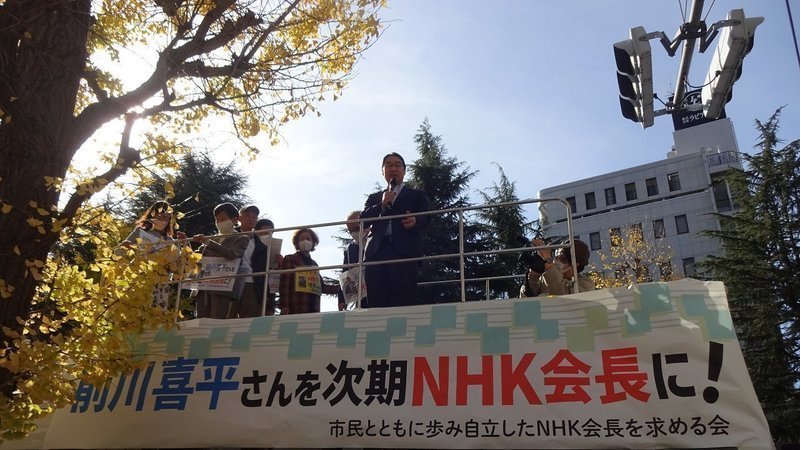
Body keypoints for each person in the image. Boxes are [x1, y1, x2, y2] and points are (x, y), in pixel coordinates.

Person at [361, 152, 430, 308]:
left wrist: (415, 220)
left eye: (397, 165)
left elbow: (426, 219)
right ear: (382, 171)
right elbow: (363, 220)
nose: (393, 169)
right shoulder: (375, 197)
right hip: (377, 253)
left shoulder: (416, 195)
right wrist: (382, 205)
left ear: (404, 171)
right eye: (389, 165)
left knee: (404, 302)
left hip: (404, 252)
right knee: (376, 302)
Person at [192, 203, 250, 319]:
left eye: (223, 219)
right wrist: (185, 244)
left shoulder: (242, 238)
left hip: (223, 287)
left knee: (218, 321)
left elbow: (232, 254)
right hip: (203, 286)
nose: (219, 223)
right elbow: (196, 256)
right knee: (201, 321)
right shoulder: (212, 238)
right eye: (217, 220)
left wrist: (208, 242)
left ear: (235, 219)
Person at [279, 228, 338, 314]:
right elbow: (285, 284)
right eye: (302, 239)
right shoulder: (290, 259)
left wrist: (340, 288)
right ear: (297, 243)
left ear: (313, 242)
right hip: (296, 307)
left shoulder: (314, 264)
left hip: (313, 308)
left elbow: (321, 287)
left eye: (308, 238)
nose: (305, 241)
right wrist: (284, 305)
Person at [520, 238, 596, 297]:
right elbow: (525, 300)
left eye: (562, 259)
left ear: (575, 264)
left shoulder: (586, 284)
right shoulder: (546, 277)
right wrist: (533, 275)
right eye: (556, 257)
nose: (556, 261)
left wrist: (548, 261)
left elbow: (562, 293)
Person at [243, 218, 283, 317]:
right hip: (253, 282)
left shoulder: (273, 244)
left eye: (271, 230)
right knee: (251, 312)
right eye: (265, 229)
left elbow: (277, 273)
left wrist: (280, 263)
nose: (268, 232)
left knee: (267, 313)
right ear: (256, 230)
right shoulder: (251, 243)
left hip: (269, 285)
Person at [338, 210, 369, 311]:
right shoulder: (350, 249)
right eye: (350, 231)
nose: (353, 233)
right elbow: (345, 273)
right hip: (361, 296)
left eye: (356, 228)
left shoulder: (377, 240)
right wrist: (341, 300)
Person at [233, 205, 260, 318]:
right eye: (248, 216)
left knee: (248, 316)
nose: (251, 219)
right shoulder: (229, 235)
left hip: (250, 281)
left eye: (254, 217)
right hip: (231, 278)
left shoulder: (259, 241)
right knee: (228, 313)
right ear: (239, 218)